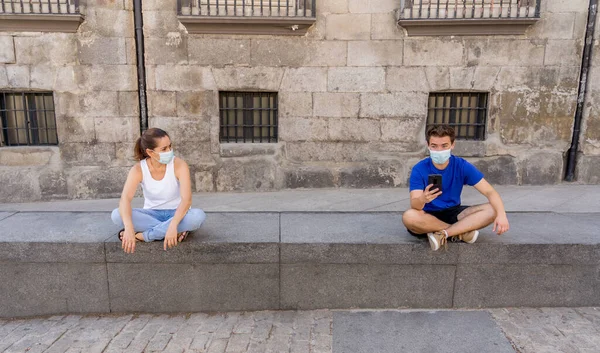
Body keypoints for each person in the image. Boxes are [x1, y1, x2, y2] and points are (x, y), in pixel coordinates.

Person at [402, 125, 510, 251]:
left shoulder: (461, 166)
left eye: (444, 146)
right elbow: (415, 205)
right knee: (409, 216)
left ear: (452, 145)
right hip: (427, 214)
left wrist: (502, 215)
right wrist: (423, 199)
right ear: (428, 145)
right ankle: (460, 232)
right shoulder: (419, 169)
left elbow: (489, 191)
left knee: (493, 209)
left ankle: (443, 234)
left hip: (454, 213)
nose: (439, 150)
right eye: (434, 146)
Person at [111, 128, 206, 254]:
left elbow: (186, 200)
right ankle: (177, 231)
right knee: (117, 215)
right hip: (151, 214)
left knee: (197, 217)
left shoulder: (179, 165)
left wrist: (173, 225)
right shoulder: (138, 169)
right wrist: (128, 228)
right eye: (164, 149)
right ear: (150, 152)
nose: (169, 151)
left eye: (170, 146)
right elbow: (125, 199)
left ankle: (144, 236)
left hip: (177, 214)